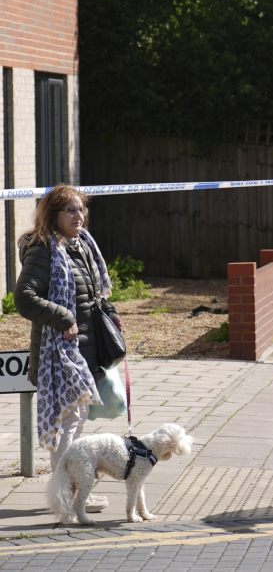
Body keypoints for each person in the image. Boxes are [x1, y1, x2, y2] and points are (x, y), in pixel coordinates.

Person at [14, 184, 122, 514]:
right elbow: (24, 298)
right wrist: (63, 317)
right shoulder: (43, 250)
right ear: (53, 215)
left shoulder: (80, 244)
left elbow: (89, 294)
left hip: (83, 351)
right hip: (57, 355)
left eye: (81, 210)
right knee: (67, 424)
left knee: (76, 422)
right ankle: (67, 497)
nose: (79, 216)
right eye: (71, 210)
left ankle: (73, 493)